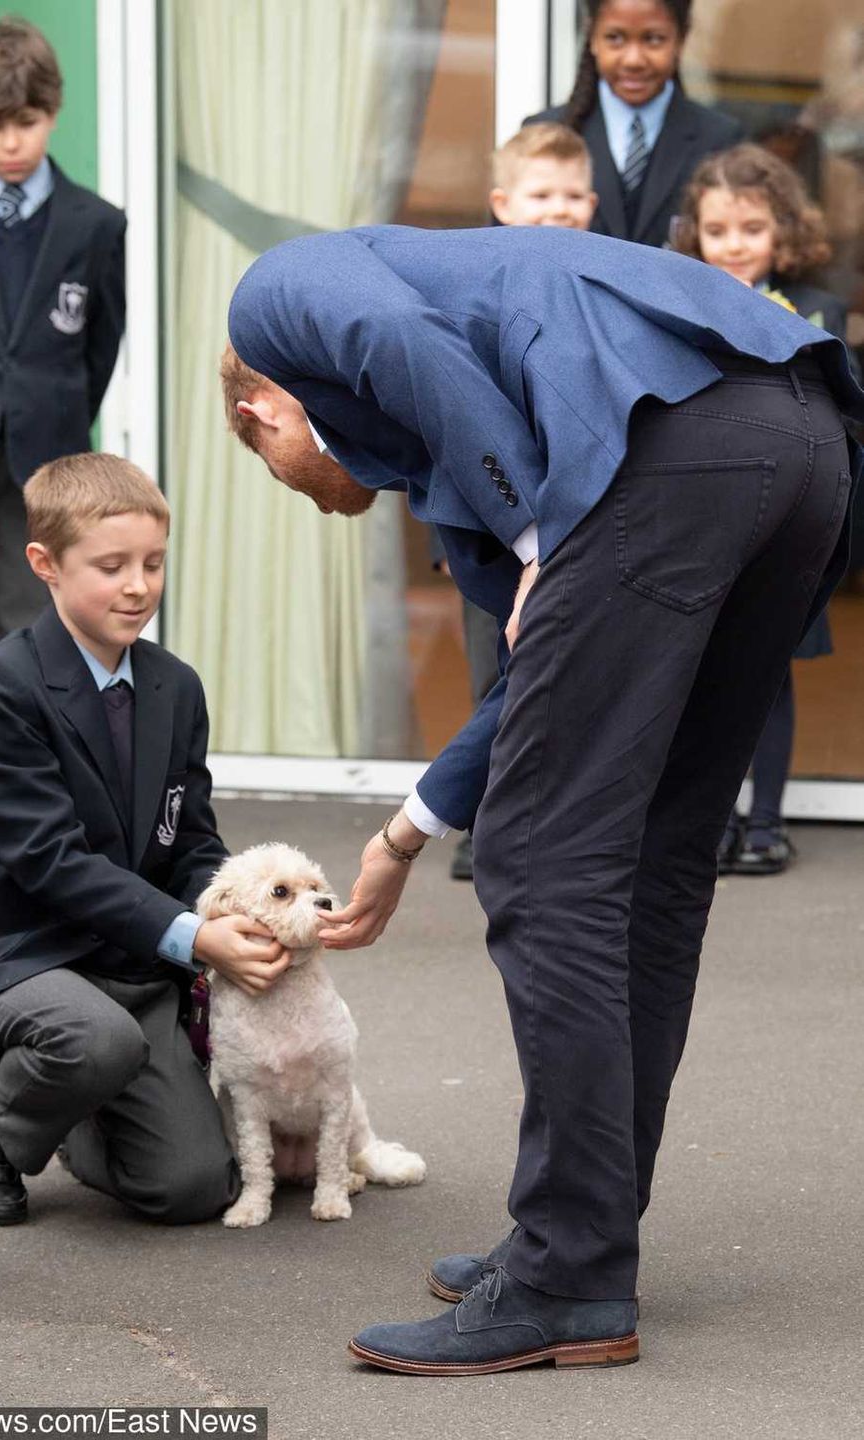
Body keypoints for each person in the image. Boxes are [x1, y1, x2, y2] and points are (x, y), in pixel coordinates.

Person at [222, 221, 861, 1373]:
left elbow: (396, 335)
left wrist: (535, 537)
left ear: (260, 413)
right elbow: (535, 681)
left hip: (668, 443)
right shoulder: (474, 450)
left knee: (543, 859)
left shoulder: (274, 297)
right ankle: (582, 1236)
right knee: (656, 852)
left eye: (280, 471)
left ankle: (568, 1273)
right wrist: (402, 837)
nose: (326, 495)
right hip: (800, 438)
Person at [0, 453, 291, 1229]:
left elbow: (191, 837)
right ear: (46, 564)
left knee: (193, 1187)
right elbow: (51, 861)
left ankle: (77, 1105)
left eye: (153, 564)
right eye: (111, 567)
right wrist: (194, 937)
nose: (138, 586)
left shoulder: (177, 686)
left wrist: (235, 912)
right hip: (20, 963)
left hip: (131, 973)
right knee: (93, 1041)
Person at [0, 16, 127, 661]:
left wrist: (57, 416)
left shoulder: (97, 224)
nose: (11, 142)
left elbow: (100, 345)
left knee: (30, 628)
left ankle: (12, 731)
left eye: (27, 122)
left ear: (54, 112)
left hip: (45, 459)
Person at [673, 142, 846, 875]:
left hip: (791, 518)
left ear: (783, 230)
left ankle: (768, 822)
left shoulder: (819, 309)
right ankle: (709, 825)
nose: (735, 245)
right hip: (706, 515)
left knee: (771, 675)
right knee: (698, 675)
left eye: (752, 229)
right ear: (694, 235)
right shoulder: (678, 304)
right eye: (717, 231)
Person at [445, 121, 599, 880]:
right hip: (493, 522)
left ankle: (562, 825)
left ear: (593, 205)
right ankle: (482, 821)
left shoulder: (603, 286)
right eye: (541, 195)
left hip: (580, 515)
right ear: (502, 204)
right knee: (496, 669)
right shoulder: (473, 289)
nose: (558, 209)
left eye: (572, 196)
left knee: (578, 670)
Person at [526, 0, 742, 250]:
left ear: (681, 39)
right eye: (615, 38)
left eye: (653, 39)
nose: (633, 60)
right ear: (592, 37)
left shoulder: (719, 139)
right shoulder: (544, 134)